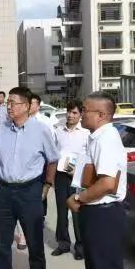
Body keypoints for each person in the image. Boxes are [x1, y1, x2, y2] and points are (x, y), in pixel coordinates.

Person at [66, 92, 130, 269]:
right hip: (94, 213)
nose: (82, 113)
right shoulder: (95, 137)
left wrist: (79, 198)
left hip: (105, 214)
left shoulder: (107, 139)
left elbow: (107, 183)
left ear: (102, 115)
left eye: (86, 110)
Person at [0, 87, 59, 269]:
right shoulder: (2, 129)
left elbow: (53, 159)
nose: (9, 107)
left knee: (35, 246)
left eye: (13, 103)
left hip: (30, 191)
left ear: (27, 106)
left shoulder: (41, 130)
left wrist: (47, 185)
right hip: (3, 191)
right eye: (8, 102)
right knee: (2, 243)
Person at [52, 100, 89, 260]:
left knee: (77, 211)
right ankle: (63, 244)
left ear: (80, 114)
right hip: (61, 174)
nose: (70, 115)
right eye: (69, 111)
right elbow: (54, 152)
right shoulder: (58, 129)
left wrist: (80, 171)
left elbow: (89, 155)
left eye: (74, 112)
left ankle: (80, 247)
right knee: (61, 210)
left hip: (78, 176)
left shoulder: (86, 133)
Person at [29, 94, 57, 220]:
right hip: (28, 162)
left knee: (40, 188)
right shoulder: (24, 120)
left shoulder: (45, 121)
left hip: (42, 160)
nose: (30, 105)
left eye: (32, 103)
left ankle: (41, 215)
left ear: (38, 105)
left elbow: (52, 142)